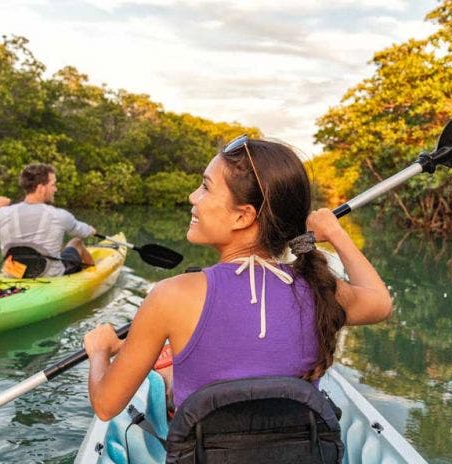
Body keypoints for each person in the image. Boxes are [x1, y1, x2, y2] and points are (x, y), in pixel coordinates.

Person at [83, 136, 393, 421]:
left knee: (166, 376)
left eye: (205, 187)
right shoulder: (319, 288)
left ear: (242, 216)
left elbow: (106, 406)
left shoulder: (171, 296)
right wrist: (336, 234)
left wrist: (99, 351)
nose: (193, 197)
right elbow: (379, 303)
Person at [0, 163, 96, 277]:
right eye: (53, 184)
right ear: (41, 188)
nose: (55, 189)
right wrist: (91, 230)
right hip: (49, 275)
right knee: (76, 242)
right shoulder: (59, 215)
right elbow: (83, 232)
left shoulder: (2, 213)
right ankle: (94, 275)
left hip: (15, 274)